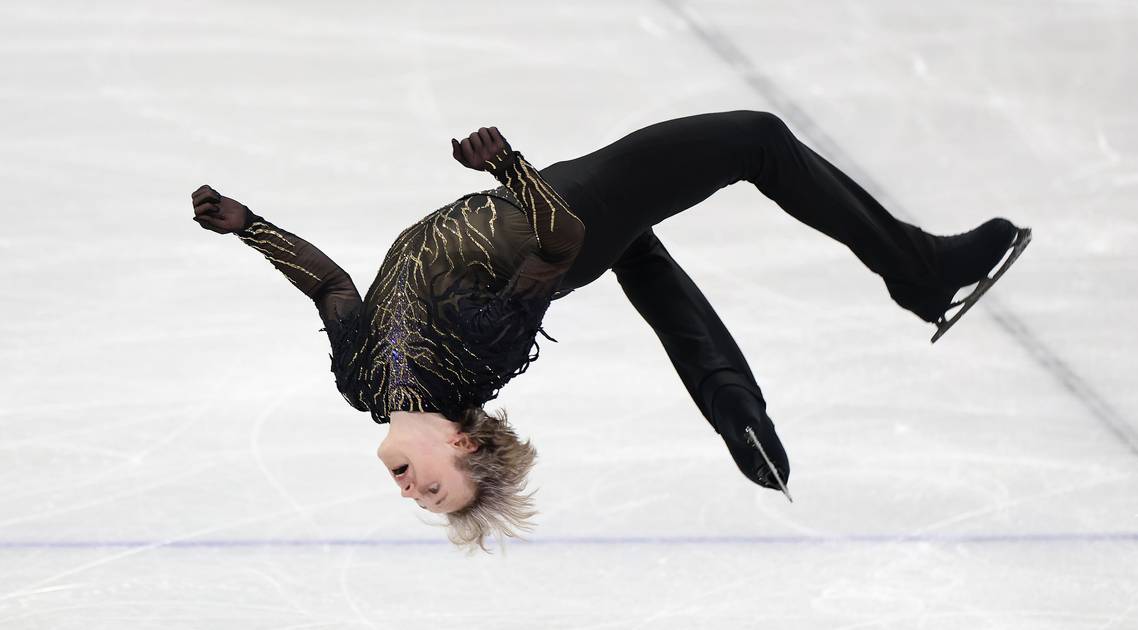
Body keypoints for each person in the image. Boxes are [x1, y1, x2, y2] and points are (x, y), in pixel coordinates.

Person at [191, 110, 1030, 550]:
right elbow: (562, 243)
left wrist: (247, 223)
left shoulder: (361, 385)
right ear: (468, 448)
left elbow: (333, 284)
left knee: (652, 253)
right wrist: (508, 165)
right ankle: (917, 270)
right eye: (437, 492)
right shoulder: (477, 352)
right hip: (569, 209)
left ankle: (734, 400)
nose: (411, 490)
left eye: (418, 497)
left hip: (553, 196)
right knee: (756, 141)